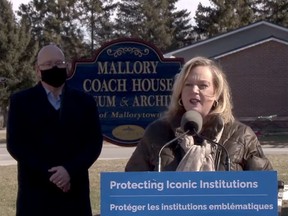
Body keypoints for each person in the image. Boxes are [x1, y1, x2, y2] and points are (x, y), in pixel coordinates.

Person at [125, 56, 273, 172]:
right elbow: (132, 186)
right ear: (180, 92)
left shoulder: (242, 136)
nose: (194, 90)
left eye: (203, 85)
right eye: (188, 85)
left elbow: (264, 189)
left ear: (216, 93)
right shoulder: (157, 132)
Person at [6, 44, 103, 216]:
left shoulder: (85, 102)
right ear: (37, 70)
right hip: (35, 196)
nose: (55, 67)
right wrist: (53, 175)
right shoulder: (20, 102)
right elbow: (16, 145)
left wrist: (69, 171)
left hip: (75, 195)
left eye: (59, 62)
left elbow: (94, 144)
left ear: (66, 66)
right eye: (48, 64)